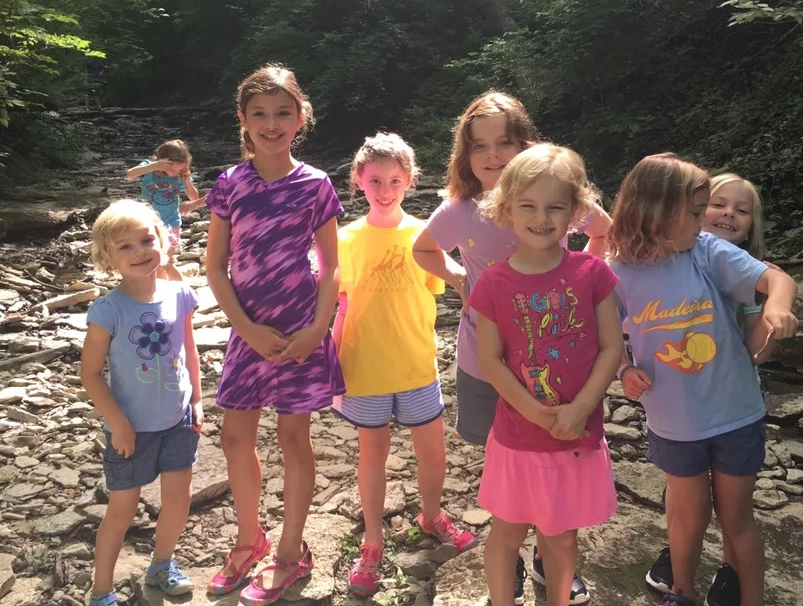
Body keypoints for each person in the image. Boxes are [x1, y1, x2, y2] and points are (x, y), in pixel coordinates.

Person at [412, 91, 611, 604]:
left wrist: (585, 290)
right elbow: (422, 249)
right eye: (481, 146)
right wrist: (458, 277)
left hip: (560, 364)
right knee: (502, 453)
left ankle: (550, 554)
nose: (494, 155)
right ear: (465, 154)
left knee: (555, 466)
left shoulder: (555, 196)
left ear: (527, 143)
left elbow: (604, 232)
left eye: (506, 142)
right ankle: (516, 547)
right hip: (487, 360)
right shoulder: (459, 210)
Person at [608, 154, 799, 606]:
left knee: (737, 520)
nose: (703, 222)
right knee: (688, 518)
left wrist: (776, 306)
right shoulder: (616, 271)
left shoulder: (707, 252)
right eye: (695, 213)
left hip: (735, 414)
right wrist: (623, 369)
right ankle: (682, 592)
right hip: (674, 423)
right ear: (653, 210)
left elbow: (777, 278)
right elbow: (606, 332)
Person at [204, 64, 345, 606]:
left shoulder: (315, 184)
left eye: (283, 113)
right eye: (259, 114)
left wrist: (317, 329)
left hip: (301, 333)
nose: (271, 123)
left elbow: (332, 267)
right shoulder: (229, 184)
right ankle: (247, 539)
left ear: (300, 118)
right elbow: (215, 265)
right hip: (249, 333)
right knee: (234, 438)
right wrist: (245, 328)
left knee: (293, 439)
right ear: (243, 120)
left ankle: (290, 550)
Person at [467, 144, 622, 606]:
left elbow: (612, 347)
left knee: (561, 538)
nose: (542, 218)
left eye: (555, 207)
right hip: (517, 437)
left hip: (576, 435)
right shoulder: (494, 281)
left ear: (575, 212)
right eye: (528, 206)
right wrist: (534, 410)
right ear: (506, 208)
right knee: (506, 533)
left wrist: (579, 409)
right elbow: (491, 359)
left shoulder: (592, 272)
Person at [331, 133, 477, 597]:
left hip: (417, 364)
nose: (385, 189)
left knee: (432, 452)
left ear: (411, 181)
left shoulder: (425, 235)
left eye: (395, 180)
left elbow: (448, 286)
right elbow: (340, 305)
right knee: (372, 454)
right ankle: (372, 540)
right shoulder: (346, 238)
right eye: (375, 180)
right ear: (358, 180)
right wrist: (329, 370)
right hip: (364, 368)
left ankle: (431, 516)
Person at [645, 171, 776, 606]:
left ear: (752, 225)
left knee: (733, 506)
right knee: (685, 501)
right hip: (680, 410)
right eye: (718, 205)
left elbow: (759, 351)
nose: (728, 215)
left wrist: (766, 313)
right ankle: (678, 556)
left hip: (733, 401)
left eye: (742, 211)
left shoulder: (750, 276)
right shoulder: (669, 262)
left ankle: (731, 570)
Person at [81, 199, 202, 606]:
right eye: (125, 246)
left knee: (178, 498)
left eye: (146, 240)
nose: (140, 252)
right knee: (122, 509)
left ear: (164, 240)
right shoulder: (108, 310)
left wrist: (198, 402)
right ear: (106, 256)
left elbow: (188, 350)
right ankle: (102, 590)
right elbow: (90, 374)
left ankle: (162, 564)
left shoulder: (179, 294)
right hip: (129, 428)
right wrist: (118, 422)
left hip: (178, 419)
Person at [125, 140, 202, 281]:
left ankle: (179, 291)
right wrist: (154, 165)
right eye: (170, 168)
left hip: (171, 222)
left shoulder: (180, 176)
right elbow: (130, 174)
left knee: (167, 260)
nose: (173, 172)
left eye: (177, 169)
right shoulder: (150, 168)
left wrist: (187, 180)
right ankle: (159, 287)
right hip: (148, 223)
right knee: (153, 261)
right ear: (162, 160)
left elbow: (194, 198)